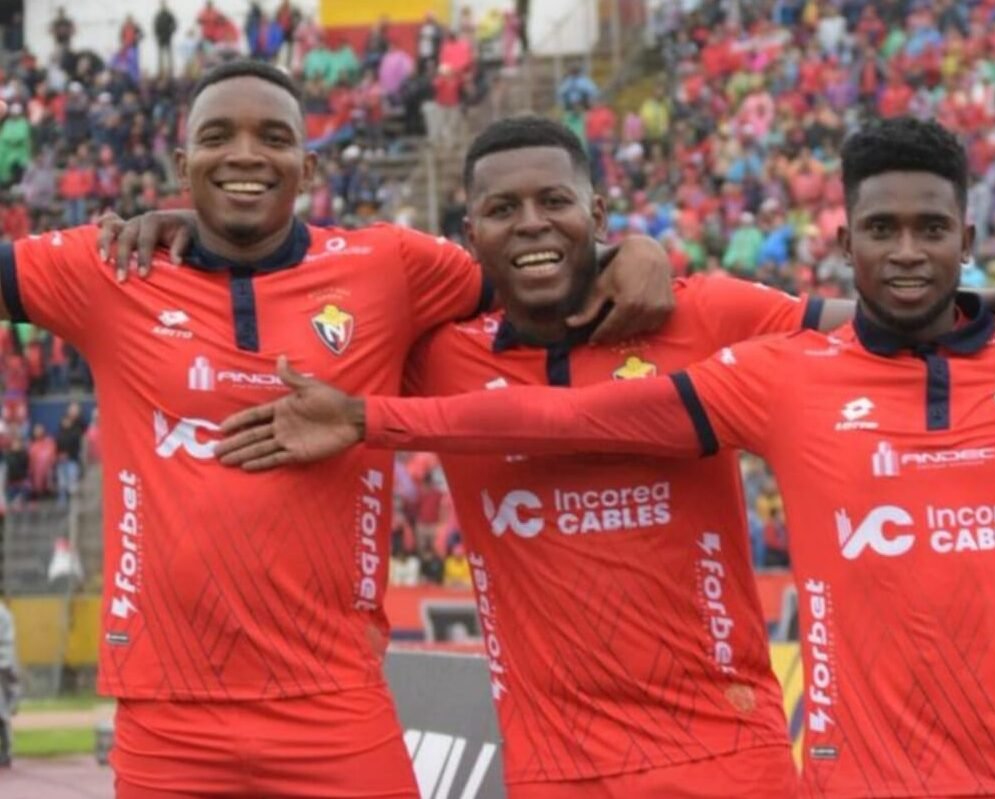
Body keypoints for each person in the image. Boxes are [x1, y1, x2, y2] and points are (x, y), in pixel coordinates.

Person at [218, 117, 995, 798]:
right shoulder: (434, 351)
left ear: (598, 215)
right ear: (470, 232)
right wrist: (191, 218)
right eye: (502, 209)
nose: (532, 223)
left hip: (726, 748)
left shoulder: (707, 313)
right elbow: (280, 272)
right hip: (552, 762)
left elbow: (890, 325)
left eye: (555, 201)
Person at [0, 60, 673, 798]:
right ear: (182, 165)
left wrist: (631, 252)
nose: (246, 155)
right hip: (167, 711)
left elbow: (536, 269)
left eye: (273, 138)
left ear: (309, 166)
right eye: (218, 138)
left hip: (336, 702)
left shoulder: (389, 266)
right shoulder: (113, 270)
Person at [0, 597, 18, 768]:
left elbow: (6, 644)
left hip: (2, 667)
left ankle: (6, 751)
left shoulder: (3, 614)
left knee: (2, 712)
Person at [154, 1, 177, 78]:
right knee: (160, 56)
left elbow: (174, 24)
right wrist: (157, 35)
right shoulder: (158, 15)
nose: (163, 6)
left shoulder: (169, 14)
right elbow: (155, 27)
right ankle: (161, 71)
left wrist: (171, 32)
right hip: (161, 38)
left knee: (169, 55)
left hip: (168, 38)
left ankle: (170, 71)